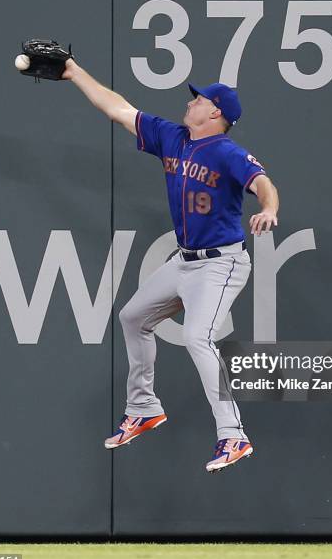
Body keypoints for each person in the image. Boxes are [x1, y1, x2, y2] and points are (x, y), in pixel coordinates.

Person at [62, 59, 279, 472]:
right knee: (133, 317)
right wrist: (74, 72)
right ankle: (143, 408)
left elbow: (263, 183)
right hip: (184, 262)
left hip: (221, 263)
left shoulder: (227, 152)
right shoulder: (173, 138)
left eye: (198, 99)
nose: (190, 101)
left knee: (199, 338)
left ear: (215, 112)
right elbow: (118, 108)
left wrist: (268, 208)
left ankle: (233, 437)